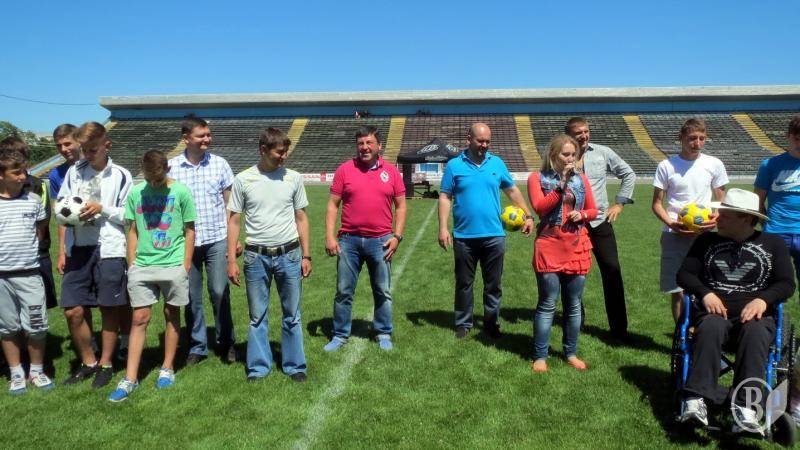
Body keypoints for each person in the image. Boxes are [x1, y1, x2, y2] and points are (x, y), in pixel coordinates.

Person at [676, 188, 795, 434]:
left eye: (725, 216)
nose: (716, 218)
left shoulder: (773, 244)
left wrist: (763, 300)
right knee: (711, 326)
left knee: (756, 332)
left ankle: (746, 408)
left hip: (755, 317)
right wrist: (706, 293)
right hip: (713, 314)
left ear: (746, 218)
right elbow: (684, 275)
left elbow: (786, 283)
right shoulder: (706, 241)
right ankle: (696, 400)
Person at [109, 150, 195, 402]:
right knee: (140, 318)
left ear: (167, 170)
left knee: (171, 313)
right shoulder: (136, 192)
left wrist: (185, 264)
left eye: (157, 179)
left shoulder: (181, 192)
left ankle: (167, 368)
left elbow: (190, 230)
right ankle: (130, 378)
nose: (154, 184)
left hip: (173, 264)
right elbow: (132, 229)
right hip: (142, 266)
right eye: (149, 179)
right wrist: (132, 262)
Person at [227, 127, 311, 381]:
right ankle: (258, 367)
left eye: (285, 152)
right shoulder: (243, 179)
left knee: (292, 314)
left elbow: (301, 217)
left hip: (290, 254)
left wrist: (306, 255)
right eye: (279, 152)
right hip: (256, 257)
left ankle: (295, 365)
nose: (284, 156)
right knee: (257, 316)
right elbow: (234, 221)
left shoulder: (293, 178)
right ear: (263, 150)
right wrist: (231, 260)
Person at [438, 122, 534, 339]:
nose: (484, 145)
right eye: (480, 141)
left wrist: (528, 215)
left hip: (494, 236)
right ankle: (463, 323)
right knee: (464, 283)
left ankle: (491, 323)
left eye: (487, 141)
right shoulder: (454, 165)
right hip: (464, 236)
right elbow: (445, 197)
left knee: (493, 284)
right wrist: (443, 228)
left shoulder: (497, 163)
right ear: (469, 139)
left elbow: (512, 191)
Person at [58, 123, 132, 389]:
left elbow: (128, 215)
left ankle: (106, 364)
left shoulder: (121, 175)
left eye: (93, 150)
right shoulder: (74, 172)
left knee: (109, 308)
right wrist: (70, 215)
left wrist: (102, 208)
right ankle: (89, 361)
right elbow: (62, 204)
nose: (87, 155)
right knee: (72, 310)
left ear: (106, 145)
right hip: (79, 247)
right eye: (84, 150)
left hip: (110, 248)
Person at [323, 125, 406, 351]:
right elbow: (332, 205)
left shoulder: (392, 172)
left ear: (379, 146)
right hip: (348, 241)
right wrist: (330, 236)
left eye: (369, 143)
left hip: (381, 241)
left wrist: (397, 236)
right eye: (361, 143)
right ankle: (340, 334)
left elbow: (401, 206)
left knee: (382, 290)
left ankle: (383, 332)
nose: (365, 147)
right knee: (343, 291)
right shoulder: (344, 170)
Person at [168, 115, 237, 365]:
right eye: (202, 135)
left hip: (217, 237)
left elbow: (231, 205)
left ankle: (226, 341)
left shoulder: (220, 164)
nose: (207, 139)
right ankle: (197, 346)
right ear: (186, 138)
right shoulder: (171, 168)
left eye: (208, 134)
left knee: (219, 291)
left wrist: (234, 240)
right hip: (184, 243)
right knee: (190, 296)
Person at [527, 134, 598, 372]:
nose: (570, 159)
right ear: (553, 155)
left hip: (577, 245)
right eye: (565, 154)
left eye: (573, 155)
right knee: (548, 303)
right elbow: (540, 208)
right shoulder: (537, 178)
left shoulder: (582, 179)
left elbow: (594, 209)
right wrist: (561, 185)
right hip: (549, 244)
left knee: (573, 304)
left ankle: (571, 352)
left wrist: (583, 215)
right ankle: (540, 355)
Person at [565, 117, 635, 341]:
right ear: (569, 135)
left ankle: (619, 329)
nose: (584, 136)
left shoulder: (603, 152)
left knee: (612, 270)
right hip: (573, 224)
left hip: (599, 221)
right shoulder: (561, 155)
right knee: (573, 274)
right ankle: (576, 322)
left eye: (586, 131)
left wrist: (620, 203)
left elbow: (628, 174)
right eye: (578, 132)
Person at [652, 118, 728, 322]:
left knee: (708, 285)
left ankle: (703, 329)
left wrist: (717, 216)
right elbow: (657, 204)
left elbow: (721, 200)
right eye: (692, 138)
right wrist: (671, 224)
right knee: (677, 289)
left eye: (702, 138)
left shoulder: (714, 164)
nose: (697, 143)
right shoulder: (666, 165)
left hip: (705, 233)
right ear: (681, 138)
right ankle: (681, 335)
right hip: (674, 233)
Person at [0, 148, 53, 394]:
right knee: (8, 327)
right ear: (2, 175)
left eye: (24, 171)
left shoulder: (33, 201)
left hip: (30, 273)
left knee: (37, 325)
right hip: (2, 277)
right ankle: (16, 373)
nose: (23, 176)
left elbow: (40, 228)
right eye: (16, 172)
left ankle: (37, 371)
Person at [0, 137, 57, 311]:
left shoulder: (36, 188)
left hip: (34, 260)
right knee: (8, 317)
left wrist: (32, 248)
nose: (22, 176)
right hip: (4, 266)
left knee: (36, 312)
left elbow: (42, 224)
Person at [755, 115, 800, 291]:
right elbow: (758, 201)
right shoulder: (770, 165)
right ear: (788, 136)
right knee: (772, 285)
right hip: (776, 232)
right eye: (797, 139)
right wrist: (767, 224)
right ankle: (773, 310)